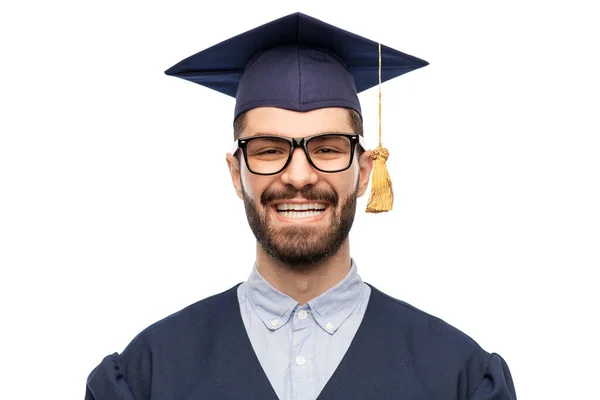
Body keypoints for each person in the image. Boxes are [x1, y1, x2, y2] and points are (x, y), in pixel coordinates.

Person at [85, 12, 517, 400]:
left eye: (327, 148)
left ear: (365, 171)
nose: (298, 175)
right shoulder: (147, 377)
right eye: (269, 149)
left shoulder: (459, 378)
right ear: (236, 174)